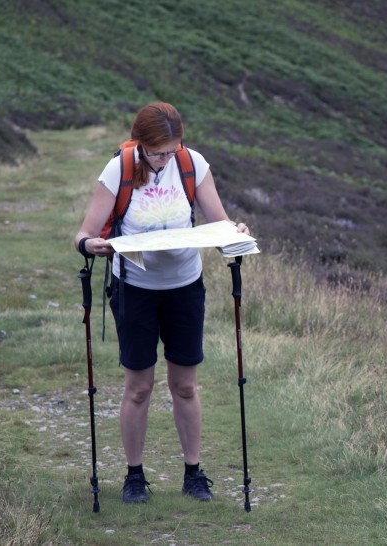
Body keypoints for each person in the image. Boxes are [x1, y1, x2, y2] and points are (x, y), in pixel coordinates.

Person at [74, 101, 250, 504]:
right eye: (157, 153)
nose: (165, 159)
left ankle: (193, 473)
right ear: (140, 144)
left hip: (185, 287)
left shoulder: (192, 164)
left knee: (185, 385)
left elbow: (218, 222)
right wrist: (93, 245)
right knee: (139, 387)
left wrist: (233, 231)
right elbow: (82, 234)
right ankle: (134, 477)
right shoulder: (118, 169)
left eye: (172, 151)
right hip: (134, 288)